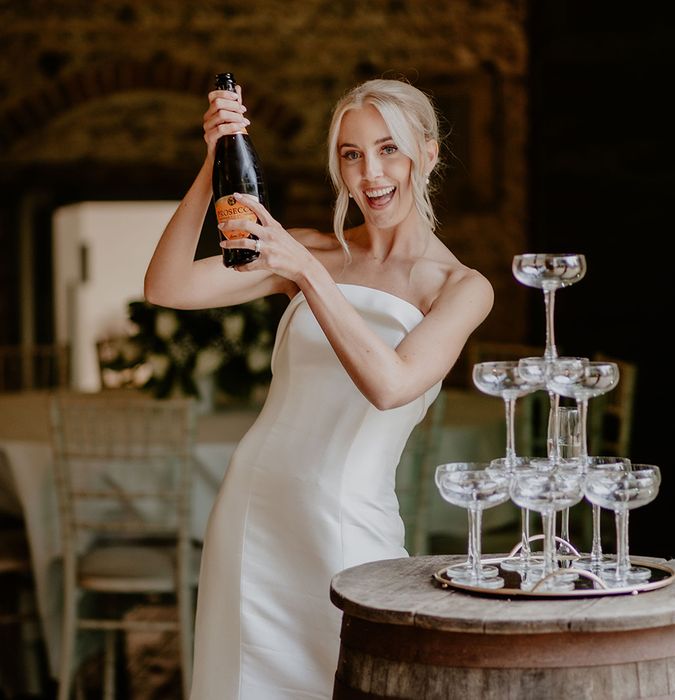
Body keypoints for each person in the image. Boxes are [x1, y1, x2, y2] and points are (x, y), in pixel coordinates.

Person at [144, 77, 494, 699]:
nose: (371, 174)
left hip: (346, 518)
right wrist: (214, 158)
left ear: (429, 153)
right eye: (351, 154)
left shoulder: (460, 286)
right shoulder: (312, 248)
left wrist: (305, 275)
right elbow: (167, 287)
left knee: (353, 678)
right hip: (254, 511)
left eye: (389, 149)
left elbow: (391, 386)